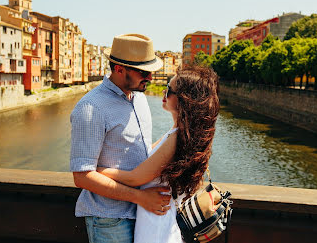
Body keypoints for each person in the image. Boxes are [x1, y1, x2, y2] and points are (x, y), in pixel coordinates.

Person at [97, 65, 220, 243]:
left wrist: (96, 170)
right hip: (160, 219)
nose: (164, 91)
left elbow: (134, 178)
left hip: (157, 227)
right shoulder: (181, 133)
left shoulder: (177, 138)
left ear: (184, 100)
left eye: (170, 89)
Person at [70, 34, 172, 243]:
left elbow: (138, 150)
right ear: (119, 69)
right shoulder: (91, 108)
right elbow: (82, 176)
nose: (150, 78)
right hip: (110, 219)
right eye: (144, 72)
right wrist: (141, 197)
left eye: (151, 72)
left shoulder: (140, 98)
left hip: (143, 214)